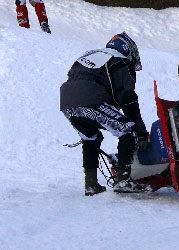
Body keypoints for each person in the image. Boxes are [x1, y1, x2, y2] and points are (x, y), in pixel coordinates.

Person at [60, 32, 149, 196]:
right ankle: (123, 179)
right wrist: (140, 128)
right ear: (128, 50)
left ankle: (91, 184)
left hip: (67, 103)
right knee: (128, 130)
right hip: (92, 100)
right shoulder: (119, 60)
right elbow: (127, 97)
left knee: (91, 137)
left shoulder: (90, 55)